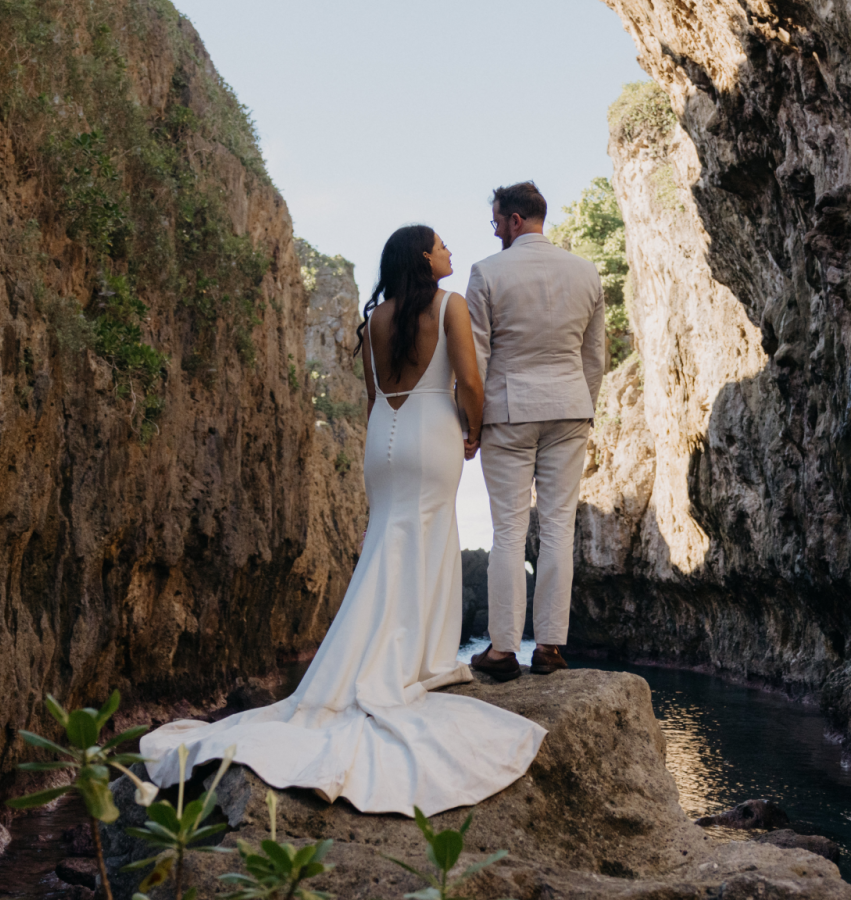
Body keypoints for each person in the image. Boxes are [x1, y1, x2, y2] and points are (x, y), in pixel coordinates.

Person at [139, 225, 546, 816]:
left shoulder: (378, 318)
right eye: (442, 246)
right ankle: (416, 661)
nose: (450, 252)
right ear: (423, 258)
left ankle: (372, 658)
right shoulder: (450, 305)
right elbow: (471, 382)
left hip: (384, 434)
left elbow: (372, 393)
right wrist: (473, 431)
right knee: (429, 541)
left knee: (387, 540)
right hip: (433, 430)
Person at [463, 182, 606, 682]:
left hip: (507, 410)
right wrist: (583, 405)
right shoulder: (586, 272)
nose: (496, 230)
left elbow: (476, 358)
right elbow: (595, 357)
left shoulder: (487, 272)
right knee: (558, 529)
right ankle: (548, 648)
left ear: (516, 220)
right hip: (569, 407)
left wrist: (471, 424)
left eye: (498, 220)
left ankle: (502, 651)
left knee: (508, 530)